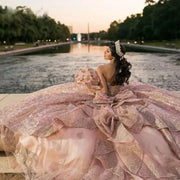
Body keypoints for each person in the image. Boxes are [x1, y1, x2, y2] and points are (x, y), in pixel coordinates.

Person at [0, 40, 180, 180]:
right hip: (124, 95)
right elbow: (120, 86)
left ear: (112, 55)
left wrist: (89, 87)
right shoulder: (121, 68)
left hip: (105, 99)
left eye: (107, 51)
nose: (104, 52)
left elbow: (104, 91)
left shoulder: (102, 68)